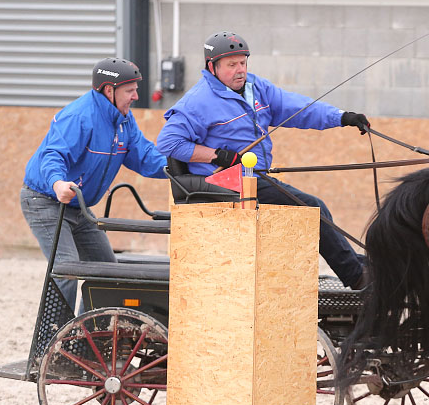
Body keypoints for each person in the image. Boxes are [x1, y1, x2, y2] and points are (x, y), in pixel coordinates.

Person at [156, 31, 370, 290]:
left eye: (243, 63)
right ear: (212, 67)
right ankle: (357, 277)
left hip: (254, 178)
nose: (240, 70)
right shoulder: (198, 102)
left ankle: (359, 265)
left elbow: (297, 108)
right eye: (231, 65)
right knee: (312, 207)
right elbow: (169, 143)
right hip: (222, 183)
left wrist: (341, 117)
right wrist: (217, 155)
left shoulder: (255, 88)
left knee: (310, 206)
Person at [21, 58, 168, 311]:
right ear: (108, 90)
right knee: (66, 269)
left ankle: (87, 337)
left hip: (78, 207)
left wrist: (183, 168)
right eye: (129, 90)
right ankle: (55, 341)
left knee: (107, 271)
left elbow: (145, 157)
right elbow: (53, 155)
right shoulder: (79, 116)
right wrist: (57, 183)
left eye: (136, 89)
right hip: (44, 201)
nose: (135, 96)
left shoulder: (124, 120)